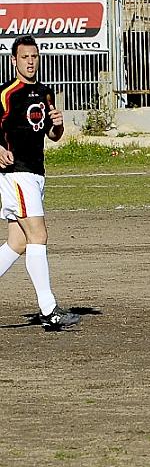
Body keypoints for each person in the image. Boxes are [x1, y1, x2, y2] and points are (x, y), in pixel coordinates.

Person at [0, 35, 80, 330]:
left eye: (34, 56)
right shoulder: (6, 93)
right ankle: (49, 310)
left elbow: (53, 135)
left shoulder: (46, 93)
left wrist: (58, 125)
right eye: (24, 57)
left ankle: (49, 310)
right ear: (14, 61)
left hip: (35, 172)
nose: (30, 61)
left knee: (17, 242)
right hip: (16, 173)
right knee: (39, 235)